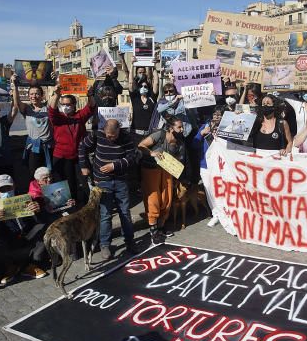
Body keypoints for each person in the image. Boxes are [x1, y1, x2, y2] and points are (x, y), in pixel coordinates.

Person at [79, 119, 135, 260]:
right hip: (103, 180)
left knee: (125, 212)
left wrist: (114, 165)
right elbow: (82, 146)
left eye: (114, 136)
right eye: (108, 135)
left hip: (120, 180)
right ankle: (105, 245)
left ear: (119, 130)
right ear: (104, 130)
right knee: (105, 214)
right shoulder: (97, 134)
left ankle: (129, 241)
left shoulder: (126, 137)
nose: (111, 138)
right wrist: (83, 165)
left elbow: (132, 158)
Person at [138, 116, 191, 244]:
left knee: (166, 199)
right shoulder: (160, 135)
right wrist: (152, 153)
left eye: (182, 126)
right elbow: (141, 145)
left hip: (167, 171)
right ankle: (153, 230)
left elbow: (180, 159)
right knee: (154, 199)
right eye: (179, 127)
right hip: (151, 170)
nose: (182, 129)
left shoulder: (180, 142)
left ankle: (161, 227)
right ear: (170, 128)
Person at [0, 174, 47, 285]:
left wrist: (37, 211)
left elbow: (38, 221)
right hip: (10, 239)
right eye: (2, 189)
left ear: (14, 187)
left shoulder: (24, 197)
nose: (6, 191)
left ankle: (32, 264)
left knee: (43, 227)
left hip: (27, 234)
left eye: (9, 188)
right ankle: (11, 266)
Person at [48, 83, 96, 202]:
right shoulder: (57, 118)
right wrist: (57, 95)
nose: (65, 106)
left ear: (74, 105)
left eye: (68, 104)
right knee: (69, 185)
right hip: (62, 157)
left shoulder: (80, 116)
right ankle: (71, 207)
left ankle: (88, 206)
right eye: (63, 104)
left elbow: (91, 107)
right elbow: (52, 110)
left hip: (79, 156)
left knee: (86, 182)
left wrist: (90, 94)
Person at [12, 77, 53, 177]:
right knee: (34, 175)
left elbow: (55, 96)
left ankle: (49, 192)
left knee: (49, 175)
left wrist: (54, 81)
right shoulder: (27, 108)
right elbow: (17, 102)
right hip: (33, 148)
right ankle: (35, 192)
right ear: (28, 96)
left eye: (37, 93)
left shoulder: (47, 107)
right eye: (31, 94)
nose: (34, 96)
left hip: (48, 147)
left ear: (42, 95)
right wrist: (15, 85)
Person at [192, 107, 226, 227]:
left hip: (220, 165)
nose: (217, 117)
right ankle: (215, 214)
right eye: (215, 114)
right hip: (205, 165)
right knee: (209, 190)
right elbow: (194, 144)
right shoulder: (204, 126)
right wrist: (202, 133)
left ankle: (225, 213)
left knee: (221, 190)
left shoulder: (226, 127)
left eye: (219, 114)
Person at [0, 96, 18, 193]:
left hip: (6, 164)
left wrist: (14, 88)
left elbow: (14, 109)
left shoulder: (3, 122)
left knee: (9, 192)